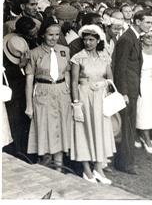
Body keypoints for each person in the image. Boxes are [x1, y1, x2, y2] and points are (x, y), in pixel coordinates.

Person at [24, 17, 72, 172]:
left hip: (61, 94)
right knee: (44, 129)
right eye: (50, 34)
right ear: (43, 34)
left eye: (57, 34)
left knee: (59, 130)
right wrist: (29, 106)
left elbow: (67, 74)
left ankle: (58, 169)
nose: (54, 38)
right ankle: (45, 171)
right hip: (43, 93)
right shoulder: (34, 53)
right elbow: (29, 79)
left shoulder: (64, 51)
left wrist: (69, 95)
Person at [70, 25, 116, 184]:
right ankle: (87, 171)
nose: (88, 42)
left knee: (101, 131)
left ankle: (98, 168)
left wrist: (103, 84)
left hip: (100, 98)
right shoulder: (78, 57)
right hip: (84, 97)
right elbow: (74, 81)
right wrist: (76, 104)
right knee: (84, 131)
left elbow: (110, 79)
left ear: (98, 41)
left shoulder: (104, 56)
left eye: (91, 40)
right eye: (85, 39)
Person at [112, 10, 152, 174]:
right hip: (127, 91)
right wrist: (123, 92)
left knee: (130, 126)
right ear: (137, 21)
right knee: (127, 127)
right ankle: (125, 163)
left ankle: (126, 161)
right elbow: (120, 67)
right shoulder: (127, 39)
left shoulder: (133, 37)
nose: (151, 25)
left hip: (133, 89)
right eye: (148, 22)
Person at [2, 31, 32, 161]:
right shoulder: (7, 67)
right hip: (13, 101)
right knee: (15, 126)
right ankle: (18, 151)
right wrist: (21, 66)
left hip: (20, 101)